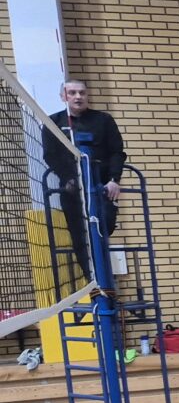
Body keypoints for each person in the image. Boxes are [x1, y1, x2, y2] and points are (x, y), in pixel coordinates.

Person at [42, 79, 127, 284]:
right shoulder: (53, 123)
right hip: (72, 191)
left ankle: (106, 278)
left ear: (87, 95)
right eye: (72, 93)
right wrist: (68, 178)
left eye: (82, 92)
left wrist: (114, 180)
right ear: (63, 97)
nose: (78, 97)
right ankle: (94, 282)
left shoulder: (104, 120)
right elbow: (50, 156)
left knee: (104, 227)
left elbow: (117, 152)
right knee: (80, 236)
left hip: (102, 188)